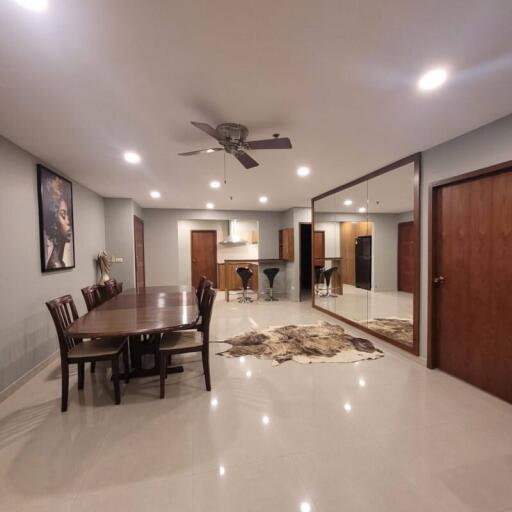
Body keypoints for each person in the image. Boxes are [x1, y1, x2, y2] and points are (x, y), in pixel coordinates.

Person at [43, 175, 73, 269]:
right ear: (54, 222)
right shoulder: (53, 264)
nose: (68, 222)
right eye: (63, 215)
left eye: (69, 216)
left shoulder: (61, 263)